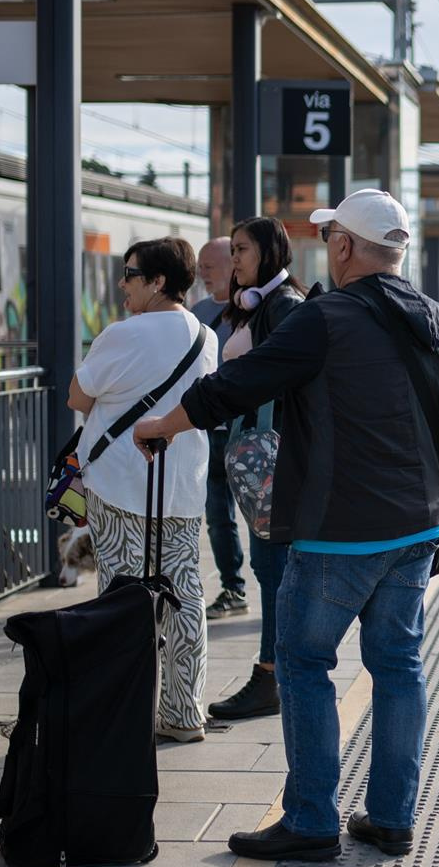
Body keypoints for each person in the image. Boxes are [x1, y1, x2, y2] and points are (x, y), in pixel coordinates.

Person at [133, 190, 439, 862]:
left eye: (331, 238)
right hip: (420, 528)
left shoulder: (324, 318)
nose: (329, 248)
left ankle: (310, 821)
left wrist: (162, 425)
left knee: (302, 662)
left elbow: (236, 386)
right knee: (398, 665)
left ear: (346, 246)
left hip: (338, 532)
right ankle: (391, 819)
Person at [68, 237, 218, 742]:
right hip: (182, 485)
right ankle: (183, 713)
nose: (122, 284)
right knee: (184, 594)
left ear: (158, 281)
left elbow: (78, 396)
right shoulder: (205, 336)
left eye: (130, 274)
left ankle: (124, 712)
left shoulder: (121, 334)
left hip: (120, 482)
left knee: (121, 595)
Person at [206, 217, 308, 722]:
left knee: (273, 570)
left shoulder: (284, 305)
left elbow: (280, 378)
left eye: (242, 249)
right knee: (271, 570)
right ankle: (278, 672)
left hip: (274, 459)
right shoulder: (259, 304)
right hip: (261, 457)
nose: (234, 259)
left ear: (269, 252)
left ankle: (272, 675)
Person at [190, 237, 248, 621]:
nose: (202, 274)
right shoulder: (197, 313)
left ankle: (274, 587)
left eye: (208, 266)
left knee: (263, 517)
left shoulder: (255, 310)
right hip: (210, 430)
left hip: (246, 429)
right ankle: (233, 588)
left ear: (231, 266)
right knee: (217, 515)